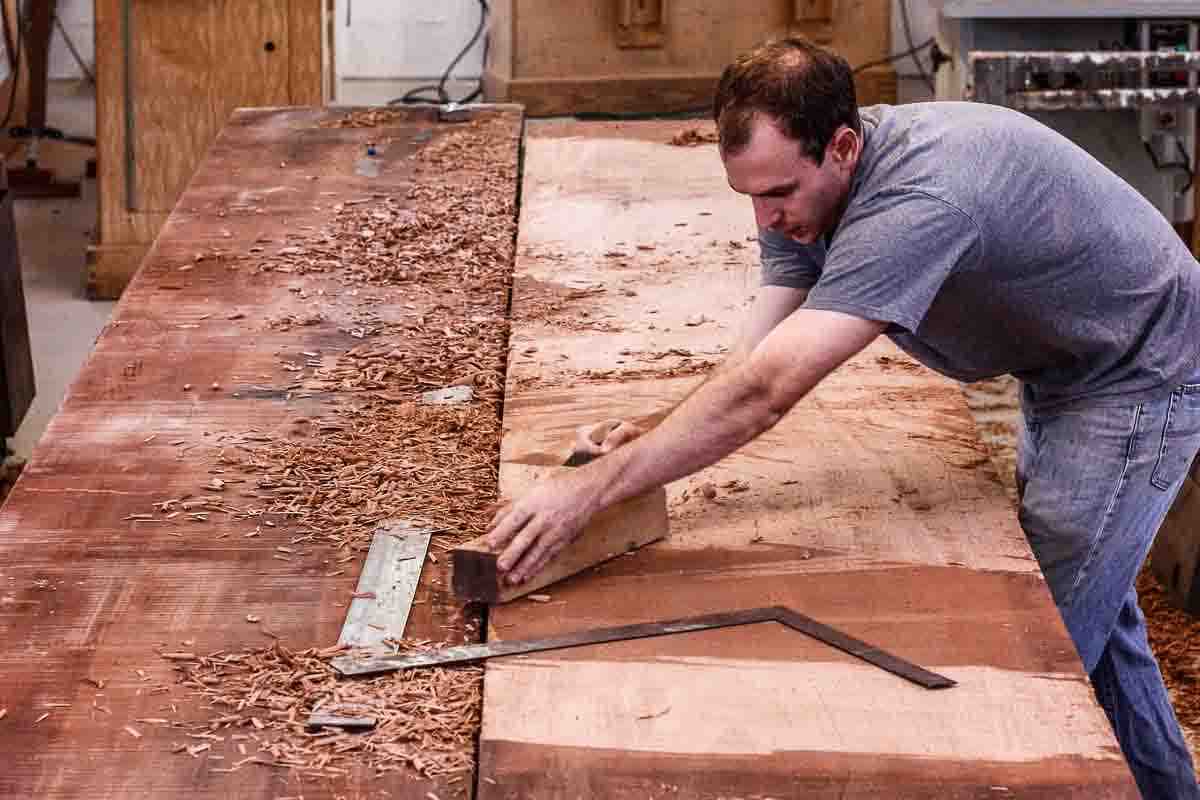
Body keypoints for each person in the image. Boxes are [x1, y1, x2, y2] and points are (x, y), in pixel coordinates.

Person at [484, 36, 1200, 797]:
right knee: (1095, 615)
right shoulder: (812, 201)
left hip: (1137, 372)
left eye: (779, 193)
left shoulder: (918, 201)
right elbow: (755, 359)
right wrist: (653, 431)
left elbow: (771, 395)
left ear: (844, 147)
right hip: (1066, 362)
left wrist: (586, 494)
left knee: (1034, 655)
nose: (765, 219)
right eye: (750, 197)